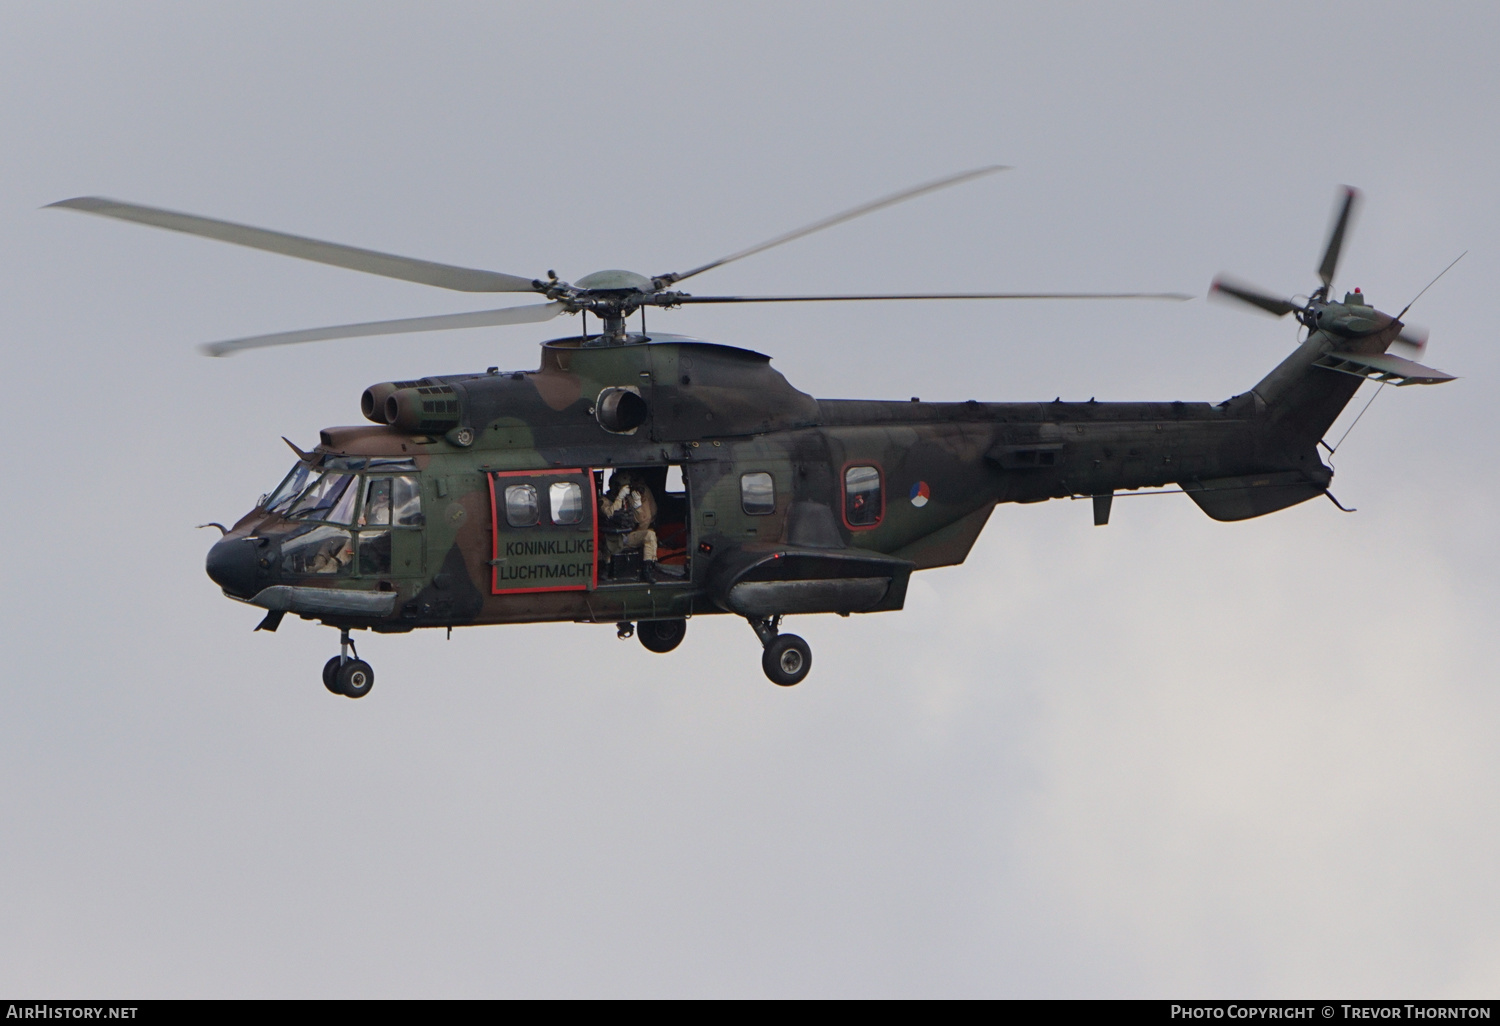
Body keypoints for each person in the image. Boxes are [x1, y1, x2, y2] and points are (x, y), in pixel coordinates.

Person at [601, 470, 658, 577]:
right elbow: (610, 514)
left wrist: (638, 507)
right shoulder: (605, 500)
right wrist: (619, 498)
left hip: (628, 535)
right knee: (607, 542)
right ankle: (606, 568)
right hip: (612, 537)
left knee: (650, 535)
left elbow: (643, 520)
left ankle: (647, 569)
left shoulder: (629, 499)